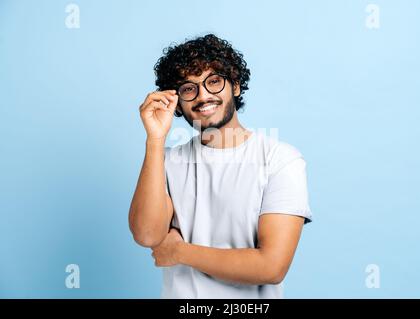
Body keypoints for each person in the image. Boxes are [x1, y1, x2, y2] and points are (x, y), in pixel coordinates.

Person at [129, 34, 313, 298]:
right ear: (177, 101)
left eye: (213, 81)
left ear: (235, 86)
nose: (203, 96)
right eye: (189, 88)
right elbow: (147, 235)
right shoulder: (167, 161)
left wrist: (180, 251)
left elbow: (271, 266)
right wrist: (155, 139)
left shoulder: (280, 159)